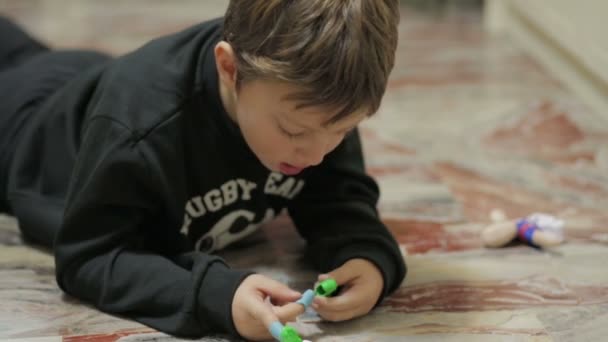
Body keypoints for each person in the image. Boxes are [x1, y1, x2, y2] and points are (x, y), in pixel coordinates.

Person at [0, 1, 406, 340]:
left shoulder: (316, 97)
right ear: (230, 70)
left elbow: (337, 197)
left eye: (343, 129)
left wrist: (367, 255)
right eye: (292, 130)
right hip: (19, 128)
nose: (318, 154)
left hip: (76, 79)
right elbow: (89, 257)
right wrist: (213, 295)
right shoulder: (139, 129)